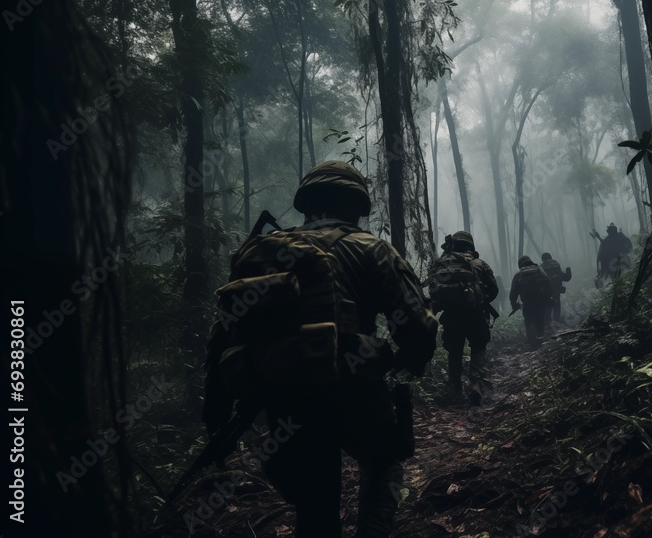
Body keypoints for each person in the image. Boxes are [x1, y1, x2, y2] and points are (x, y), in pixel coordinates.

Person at [204, 161, 437, 538]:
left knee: (315, 503)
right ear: (356, 207)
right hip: (354, 385)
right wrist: (404, 366)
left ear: (307, 203)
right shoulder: (371, 249)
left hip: (284, 392)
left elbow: (223, 335)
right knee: (384, 462)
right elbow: (418, 325)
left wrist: (215, 411)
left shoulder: (263, 251)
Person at [427, 231, 498, 405]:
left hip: (451, 316)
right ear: (470, 246)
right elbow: (494, 289)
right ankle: (475, 383)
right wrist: (480, 299)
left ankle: (455, 387)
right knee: (478, 347)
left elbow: (433, 291)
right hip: (475, 314)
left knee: (455, 351)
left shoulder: (441, 264)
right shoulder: (479, 263)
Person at [510, 255, 553, 345]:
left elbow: (513, 293)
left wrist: (514, 305)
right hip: (540, 300)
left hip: (527, 302)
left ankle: (531, 340)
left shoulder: (518, 275)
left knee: (528, 320)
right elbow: (548, 284)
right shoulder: (540, 271)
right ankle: (540, 337)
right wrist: (549, 298)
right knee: (540, 318)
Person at [540, 252, 572, 324]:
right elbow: (564, 277)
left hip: (546, 289)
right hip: (557, 287)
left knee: (547, 304)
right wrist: (568, 271)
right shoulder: (556, 264)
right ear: (550, 257)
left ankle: (547, 321)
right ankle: (556, 319)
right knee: (557, 302)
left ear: (543, 259)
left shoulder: (541, 267)